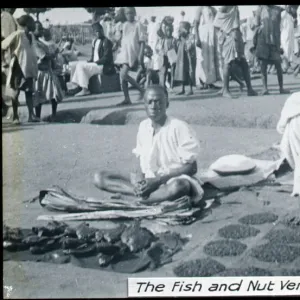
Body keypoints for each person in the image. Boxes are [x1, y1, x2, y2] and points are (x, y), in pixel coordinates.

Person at [93, 85, 204, 206]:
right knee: (100, 177)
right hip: (150, 179)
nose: (153, 106)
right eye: (149, 102)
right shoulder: (143, 126)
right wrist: (141, 181)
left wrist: (159, 180)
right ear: (144, 105)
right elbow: (142, 160)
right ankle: (143, 195)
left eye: (158, 102)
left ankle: (135, 200)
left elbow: (192, 167)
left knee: (180, 187)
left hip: (172, 179)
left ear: (167, 104)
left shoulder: (179, 126)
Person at [1, 14, 39, 124]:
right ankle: (15, 117)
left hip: (28, 68)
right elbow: (3, 45)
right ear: (26, 25)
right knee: (15, 93)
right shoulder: (18, 34)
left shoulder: (31, 36)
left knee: (29, 92)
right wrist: (7, 57)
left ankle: (31, 116)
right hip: (18, 68)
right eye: (30, 24)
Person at [214, 6, 257, 98]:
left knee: (243, 62)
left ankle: (249, 89)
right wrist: (224, 35)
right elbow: (216, 25)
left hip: (237, 35)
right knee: (228, 63)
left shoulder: (235, 7)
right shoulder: (224, 7)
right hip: (229, 37)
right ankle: (225, 90)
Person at [71, 22, 114, 97]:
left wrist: (95, 62)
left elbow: (107, 58)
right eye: (96, 32)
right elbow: (93, 56)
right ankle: (78, 86)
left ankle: (85, 90)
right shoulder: (95, 41)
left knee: (81, 67)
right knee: (75, 64)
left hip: (103, 66)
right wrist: (89, 61)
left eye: (99, 31)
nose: (98, 33)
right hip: (95, 64)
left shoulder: (106, 41)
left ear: (102, 31)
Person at [254, 5, 289, 95]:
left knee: (278, 64)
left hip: (275, 40)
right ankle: (265, 88)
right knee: (263, 65)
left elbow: (280, 25)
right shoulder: (260, 9)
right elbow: (255, 25)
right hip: (262, 40)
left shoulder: (278, 10)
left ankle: (281, 88)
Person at [114, 7, 146, 106]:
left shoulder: (138, 25)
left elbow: (142, 41)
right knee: (122, 77)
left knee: (123, 75)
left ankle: (142, 90)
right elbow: (121, 39)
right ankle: (127, 98)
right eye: (127, 13)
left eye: (131, 13)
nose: (130, 15)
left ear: (135, 13)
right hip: (125, 52)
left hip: (133, 52)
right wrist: (116, 43)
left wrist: (140, 54)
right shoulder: (124, 25)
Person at [33, 24, 64, 122]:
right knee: (39, 95)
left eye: (42, 29)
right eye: (40, 29)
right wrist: (54, 54)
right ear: (33, 30)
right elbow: (44, 56)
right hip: (40, 72)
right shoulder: (34, 43)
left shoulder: (39, 42)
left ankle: (53, 115)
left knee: (53, 92)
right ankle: (38, 116)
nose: (42, 31)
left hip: (47, 70)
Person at [276, 91, 300, 197]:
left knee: (298, 157)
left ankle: (298, 188)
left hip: (295, 125)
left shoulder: (294, 97)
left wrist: (282, 129)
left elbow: (281, 125)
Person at [194, 6, 220, 90]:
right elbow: (195, 23)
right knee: (202, 58)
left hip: (212, 34)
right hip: (203, 35)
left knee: (211, 59)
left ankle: (210, 82)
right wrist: (197, 37)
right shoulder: (200, 8)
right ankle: (200, 81)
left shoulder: (213, 9)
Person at [174, 21, 196, 96]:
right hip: (181, 56)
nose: (180, 30)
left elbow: (191, 45)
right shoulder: (180, 37)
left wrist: (188, 45)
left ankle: (190, 89)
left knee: (189, 71)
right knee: (181, 71)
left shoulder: (190, 36)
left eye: (181, 28)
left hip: (188, 56)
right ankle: (182, 89)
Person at [156, 20, 177, 91]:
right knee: (163, 72)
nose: (169, 32)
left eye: (170, 30)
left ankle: (171, 86)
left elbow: (175, 49)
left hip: (171, 56)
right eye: (167, 30)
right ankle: (162, 87)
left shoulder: (173, 39)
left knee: (172, 72)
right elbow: (158, 48)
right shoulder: (162, 39)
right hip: (164, 56)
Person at [281, 6, 296, 73]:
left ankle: (289, 66)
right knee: (286, 51)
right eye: (288, 7)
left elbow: (293, 24)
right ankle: (284, 68)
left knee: (290, 51)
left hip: (290, 36)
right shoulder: (283, 13)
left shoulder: (290, 15)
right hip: (285, 35)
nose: (290, 8)